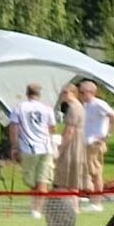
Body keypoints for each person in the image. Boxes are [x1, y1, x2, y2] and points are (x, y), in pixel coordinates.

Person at [9, 83, 54, 217]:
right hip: (45, 147)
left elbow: (14, 128)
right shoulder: (47, 108)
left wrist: (14, 146)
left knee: (31, 179)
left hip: (28, 147)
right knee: (43, 178)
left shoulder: (19, 108)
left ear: (27, 93)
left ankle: (36, 208)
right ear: (39, 94)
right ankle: (37, 209)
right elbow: (52, 128)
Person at [78, 79, 114, 211]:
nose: (79, 95)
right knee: (85, 170)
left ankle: (97, 203)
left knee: (96, 172)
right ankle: (90, 196)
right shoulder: (85, 106)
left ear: (90, 92)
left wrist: (106, 135)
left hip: (95, 143)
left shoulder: (99, 104)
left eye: (81, 92)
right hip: (85, 142)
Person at [51, 83, 88, 204]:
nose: (62, 95)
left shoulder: (73, 108)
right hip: (79, 142)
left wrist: (60, 150)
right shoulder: (79, 106)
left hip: (73, 144)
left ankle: (65, 204)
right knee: (73, 178)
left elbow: (69, 132)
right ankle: (74, 205)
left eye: (64, 92)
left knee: (66, 175)